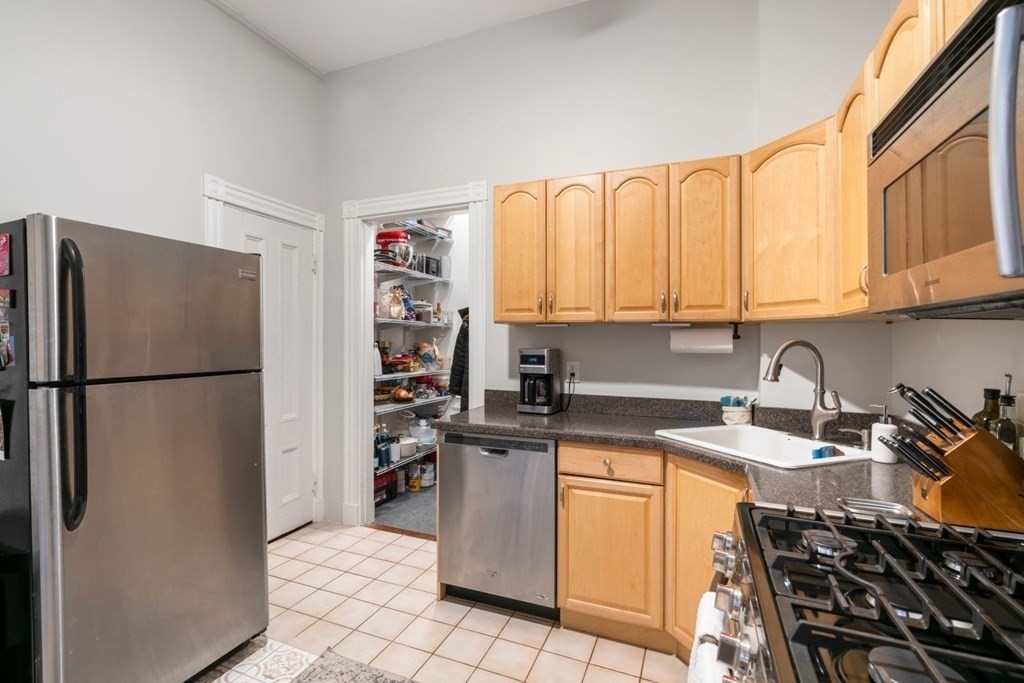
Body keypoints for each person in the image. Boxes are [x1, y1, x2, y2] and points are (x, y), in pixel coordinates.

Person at [450, 307, 469, 412]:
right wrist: (455, 387)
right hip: (469, 387)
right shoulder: (468, 325)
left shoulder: (467, 325)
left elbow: (459, 357)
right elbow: (459, 357)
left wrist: (455, 387)